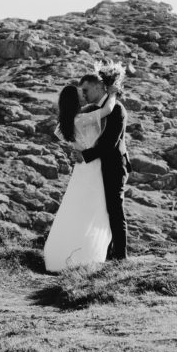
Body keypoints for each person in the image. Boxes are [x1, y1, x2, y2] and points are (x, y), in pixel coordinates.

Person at [43, 80, 118, 272]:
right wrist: (113, 93)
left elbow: (61, 133)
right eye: (80, 95)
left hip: (81, 167)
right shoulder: (82, 119)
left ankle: (69, 252)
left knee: (77, 208)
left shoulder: (67, 122)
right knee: (96, 209)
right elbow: (108, 109)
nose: (84, 96)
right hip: (93, 166)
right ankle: (90, 254)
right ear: (75, 102)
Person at [78, 65, 130, 261]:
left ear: (99, 87)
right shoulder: (97, 109)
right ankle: (104, 253)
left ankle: (120, 257)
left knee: (115, 209)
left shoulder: (116, 109)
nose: (83, 94)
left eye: (86, 89)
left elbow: (110, 143)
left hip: (115, 165)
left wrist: (85, 155)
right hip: (99, 166)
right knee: (102, 209)